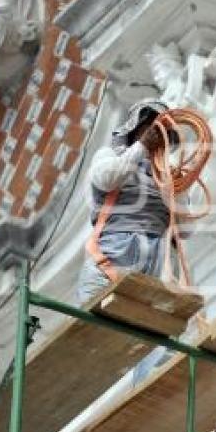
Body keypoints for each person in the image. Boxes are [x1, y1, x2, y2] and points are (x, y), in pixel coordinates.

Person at [76, 99, 184, 305]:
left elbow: (186, 230)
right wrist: (142, 147)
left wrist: (171, 185)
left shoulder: (170, 175)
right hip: (113, 254)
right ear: (135, 127)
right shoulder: (109, 156)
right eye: (151, 127)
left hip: (157, 260)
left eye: (163, 132)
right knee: (94, 320)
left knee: (155, 323)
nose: (157, 135)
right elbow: (107, 179)